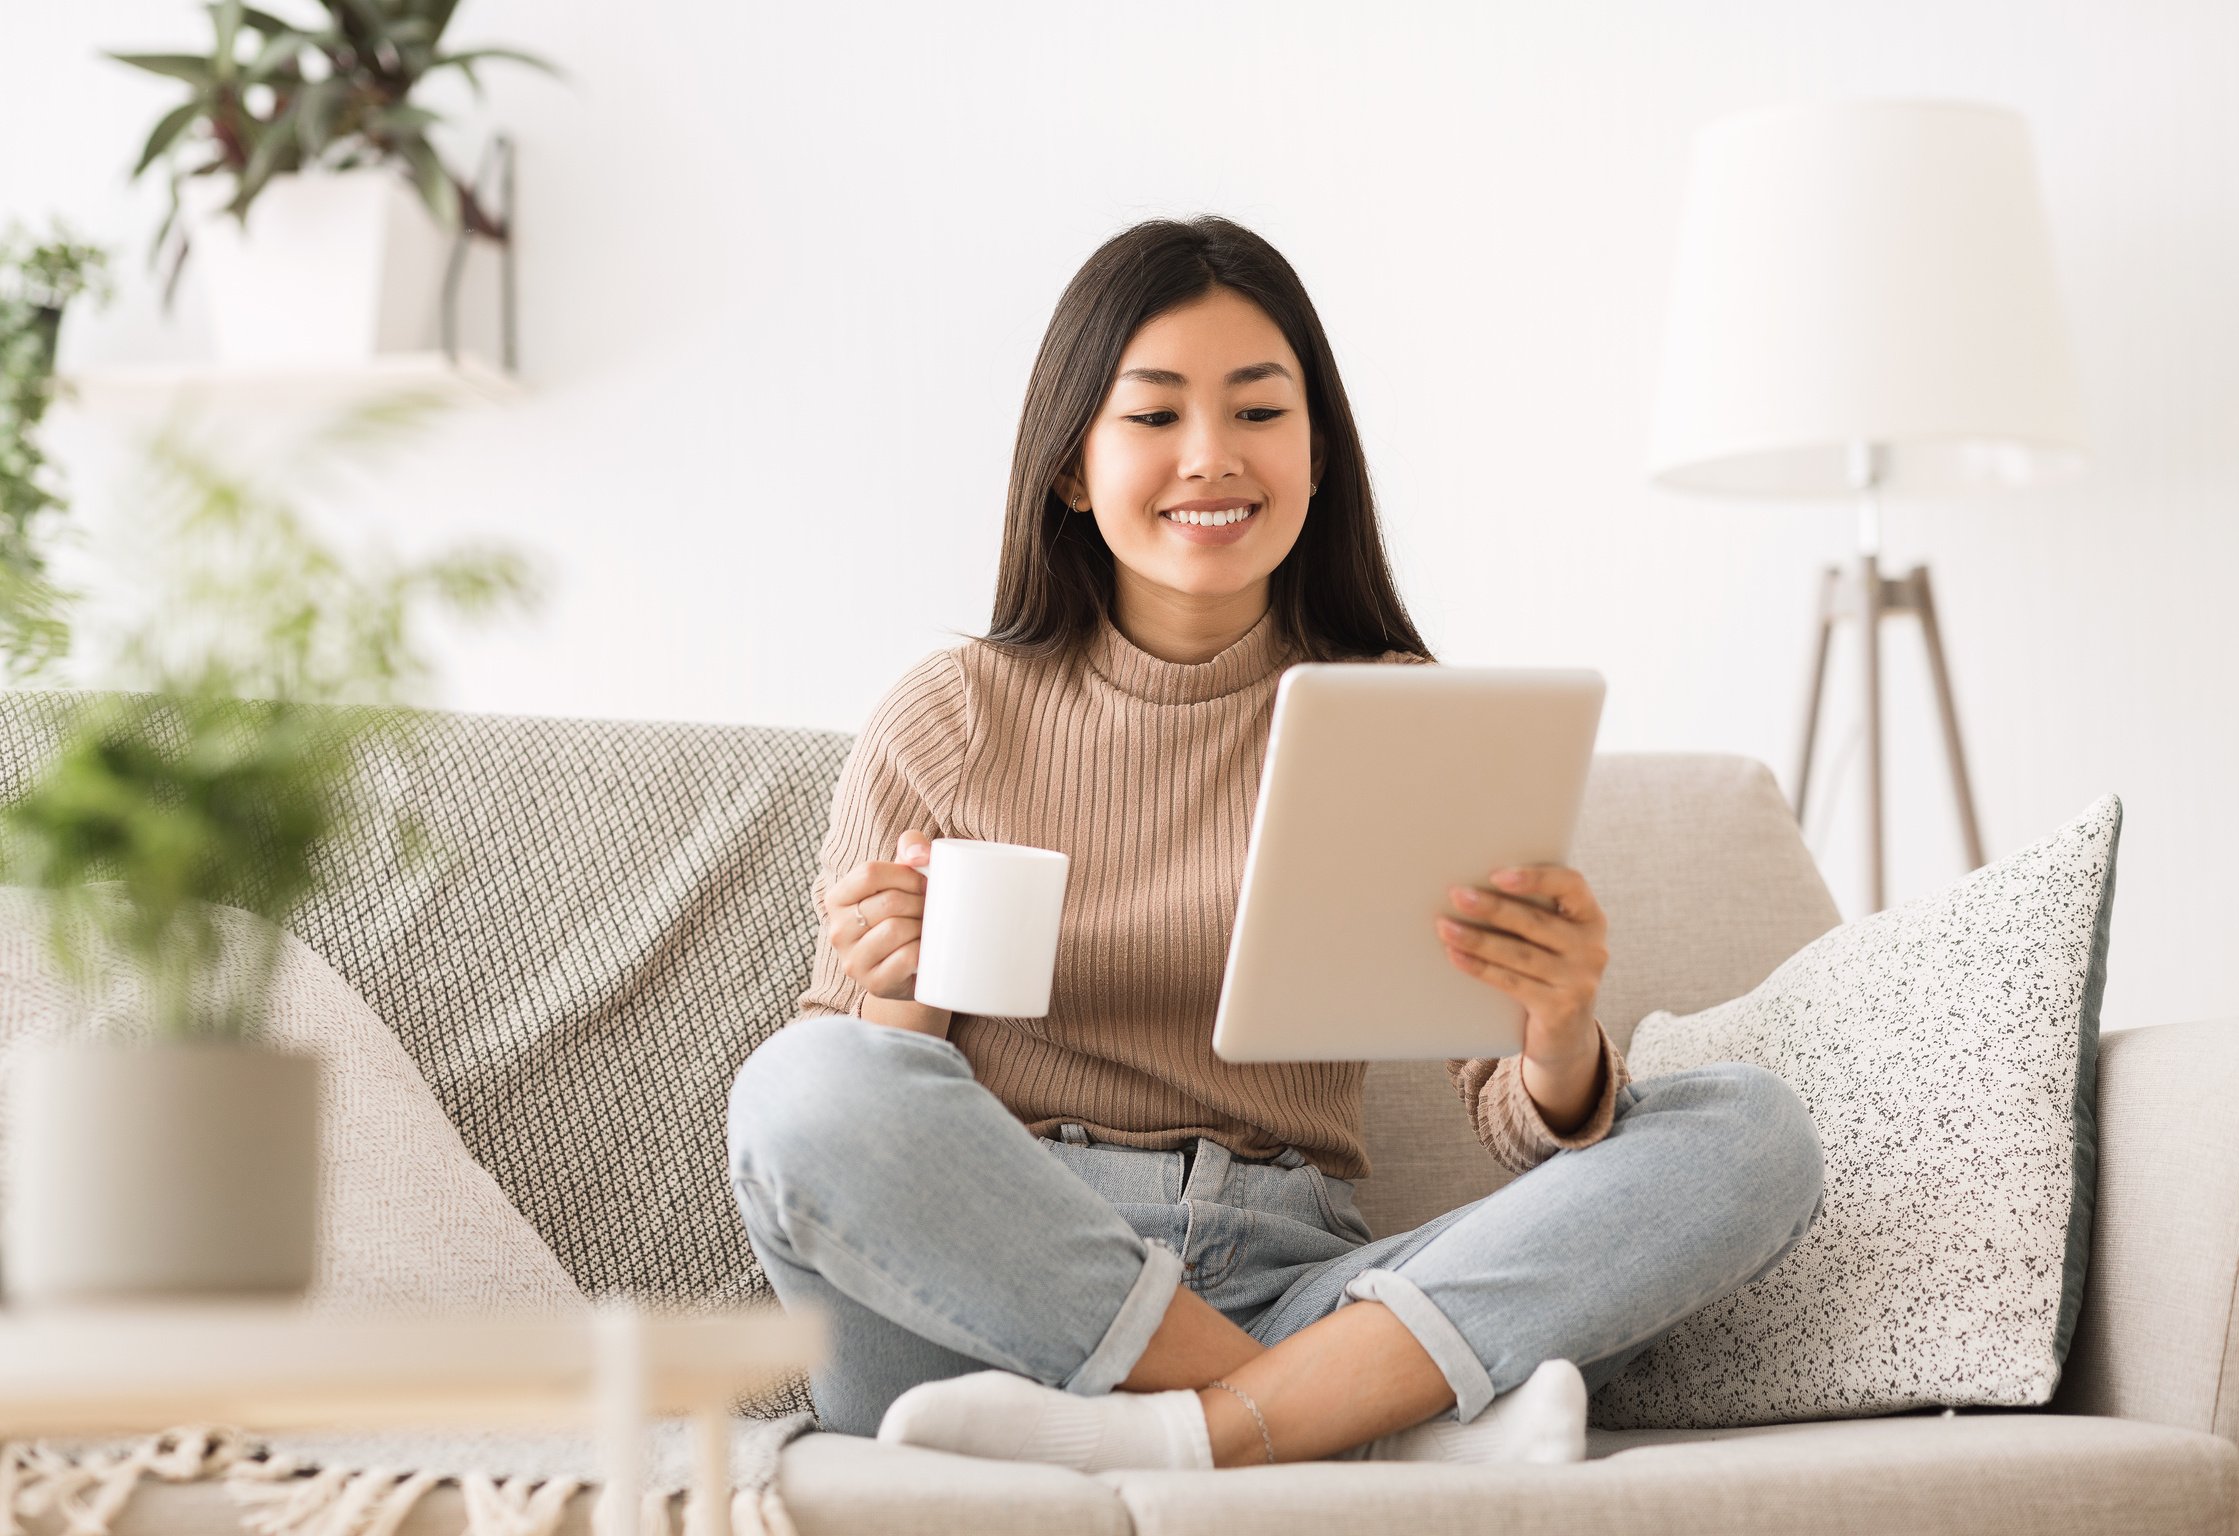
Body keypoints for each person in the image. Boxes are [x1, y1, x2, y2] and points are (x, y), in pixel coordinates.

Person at [726, 215, 1826, 1473]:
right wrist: (892, 989)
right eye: (1153, 418)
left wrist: (1561, 1031)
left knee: (1750, 1133)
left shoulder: (1402, 714)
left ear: (1317, 459)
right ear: (1072, 467)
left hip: (1294, 1270)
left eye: (1258, 413)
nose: (1212, 458)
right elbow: (856, 1124)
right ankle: (1332, 1419)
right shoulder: (950, 715)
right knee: (802, 1082)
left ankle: (1222, 1422)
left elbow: (1518, 1124)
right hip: (992, 1313)